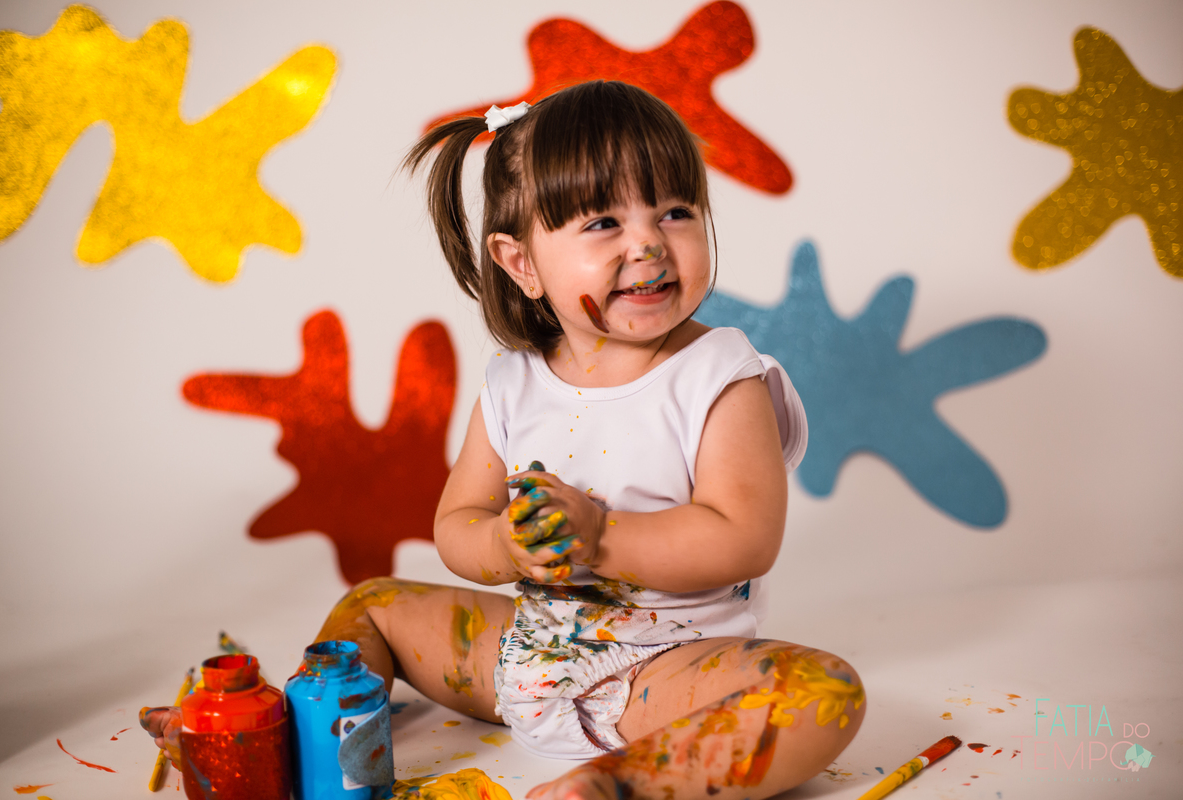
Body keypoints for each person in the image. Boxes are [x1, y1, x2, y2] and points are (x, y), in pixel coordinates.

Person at [143, 80, 865, 799]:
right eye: (603, 223)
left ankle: (612, 787)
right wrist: (506, 549)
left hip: (664, 669)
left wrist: (600, 539)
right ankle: (281, 745)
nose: (649, 242)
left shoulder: (719, 373)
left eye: (676, 212)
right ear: (522, 263)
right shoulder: (513, 385)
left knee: (822, 691)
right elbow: (457, 525)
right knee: (372, 605)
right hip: (524, 653)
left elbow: (743, 537)